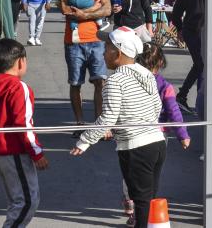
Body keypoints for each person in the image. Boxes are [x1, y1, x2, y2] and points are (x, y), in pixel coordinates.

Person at [70, 27, 164, 228]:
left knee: (140, 201)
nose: (103, 52)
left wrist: (85, 140)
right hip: (157, 143)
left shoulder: (114, 81)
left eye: (107, 47)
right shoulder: (147, 75)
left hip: (135, 146)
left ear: (118, 53)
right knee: (148, 198)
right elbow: (157, 106)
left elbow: (108, 118)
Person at [0, 39, 48, 228]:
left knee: (17, 201)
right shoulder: (19, 87)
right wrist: (37, 152)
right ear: (21, 62)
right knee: (27, 201)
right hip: (15, 152)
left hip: (1, 155)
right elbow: (23, 124)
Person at [119, 42, 190, 225]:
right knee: (150, 177)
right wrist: (183, 134)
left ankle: (131, 201)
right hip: (157, 137)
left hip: (132, 134)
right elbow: (174, 111)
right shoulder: (165, 86)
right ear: (160, 63)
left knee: (131, 175)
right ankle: (142, 209)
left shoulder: (127, 81)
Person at [59, 0, 111, 126]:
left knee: (100, 83)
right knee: (75, 83)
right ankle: (80, 122)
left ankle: (99, 123)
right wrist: (87, 12)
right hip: (73, 42)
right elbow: (64, 7)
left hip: (96, 40)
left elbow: (107, 10)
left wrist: (84, 14)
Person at [172, 0, 212, 114]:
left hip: (189, 31)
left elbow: (176, 12)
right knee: (203, 66)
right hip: (204, 31)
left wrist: (179, 29)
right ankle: (198, 102)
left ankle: (187, 96)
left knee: (200, 65)